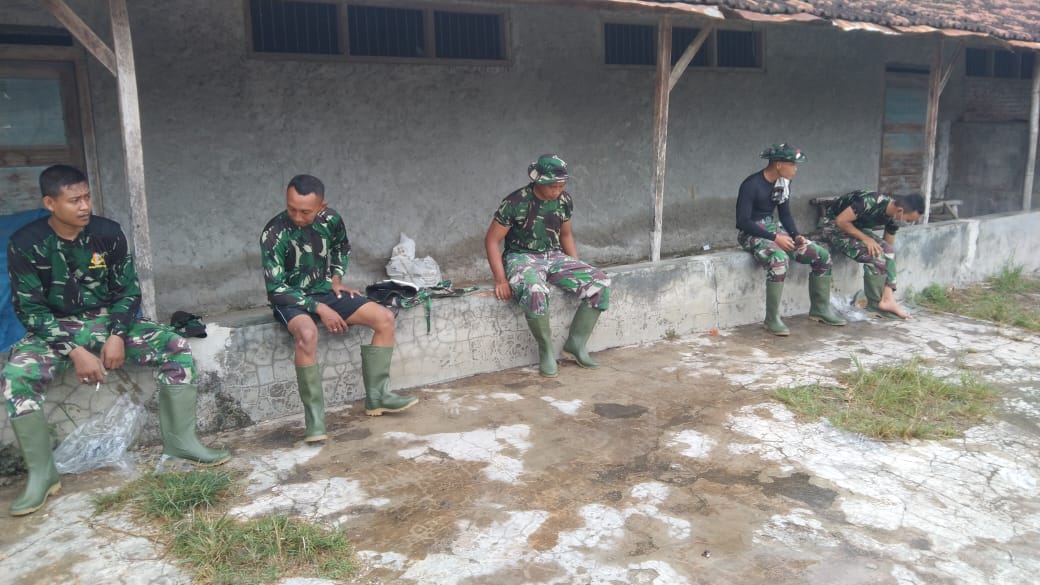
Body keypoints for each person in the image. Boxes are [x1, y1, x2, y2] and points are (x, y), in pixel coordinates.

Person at [1, 165, 229, 517]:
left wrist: (117, 335)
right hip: (55, 329)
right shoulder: (26, 244)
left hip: (108, 320)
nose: (84, 206)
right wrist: (75, 352)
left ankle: (182, 443)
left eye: (87, 197)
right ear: (50, 203)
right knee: (17, 376)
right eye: (74, 200)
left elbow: (128, 291)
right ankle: (43, 475)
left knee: (175, 346)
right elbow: (30, 310)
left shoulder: (107, 233)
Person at [260, 174, 417, 442]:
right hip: (291, 299)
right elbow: (276, 289)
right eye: (291, 209)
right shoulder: (273, 232)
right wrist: (319, 308)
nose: (297, 217)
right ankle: (315, 421)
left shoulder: (330, 220)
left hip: (325, 291)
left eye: (305, 212)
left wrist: (336, 279)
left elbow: (342, 247)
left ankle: (378, 397)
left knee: (384, 318)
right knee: (307, 334)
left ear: (322, 206)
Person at [484, 154, 611, 377]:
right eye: (553, 186)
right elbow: (492, 240)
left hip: (554, 256)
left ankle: (576, 344)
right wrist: (501, 279)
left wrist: (575, 264)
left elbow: (566, 235)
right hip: (521, 257)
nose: (557, 190)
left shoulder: (564, 200)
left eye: (562, 185)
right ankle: (546, 351)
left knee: (600, 282)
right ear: (539, 181)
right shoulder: (515, 202)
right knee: (536, 291)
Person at [736, 143, 846, 336]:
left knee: (821, 256)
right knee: (779, 259)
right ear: (778, 164)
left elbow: (785, 215)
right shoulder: (751, 185)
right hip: (751, 233)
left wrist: (796, 235)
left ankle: (820, 309)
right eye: (792, 164)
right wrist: (775, 238)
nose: (796, 169)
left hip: (774, 230)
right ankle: (772, 319)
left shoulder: (783, 183)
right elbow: (743, 221)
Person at [819, 189, 924, 319]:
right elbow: (841, 221)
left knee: (887, 252)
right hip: (833, 226)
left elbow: (888, 245)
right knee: (875, 256)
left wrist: (887, 260)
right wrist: (866, 239)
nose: (907, 223)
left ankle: (887, 299)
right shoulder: (870, 201)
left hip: (855, 229)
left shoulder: (893, 217)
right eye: (908, 220)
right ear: (900, 211)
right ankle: (875, 304)